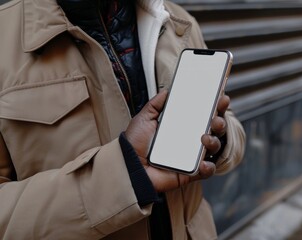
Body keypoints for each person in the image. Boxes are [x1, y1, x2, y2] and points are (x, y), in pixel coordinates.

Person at [0, 0, 246, 239]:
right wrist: (125, 178)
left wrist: (219, 140)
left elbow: (233, 128)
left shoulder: (176, 20)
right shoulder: (5, 37)